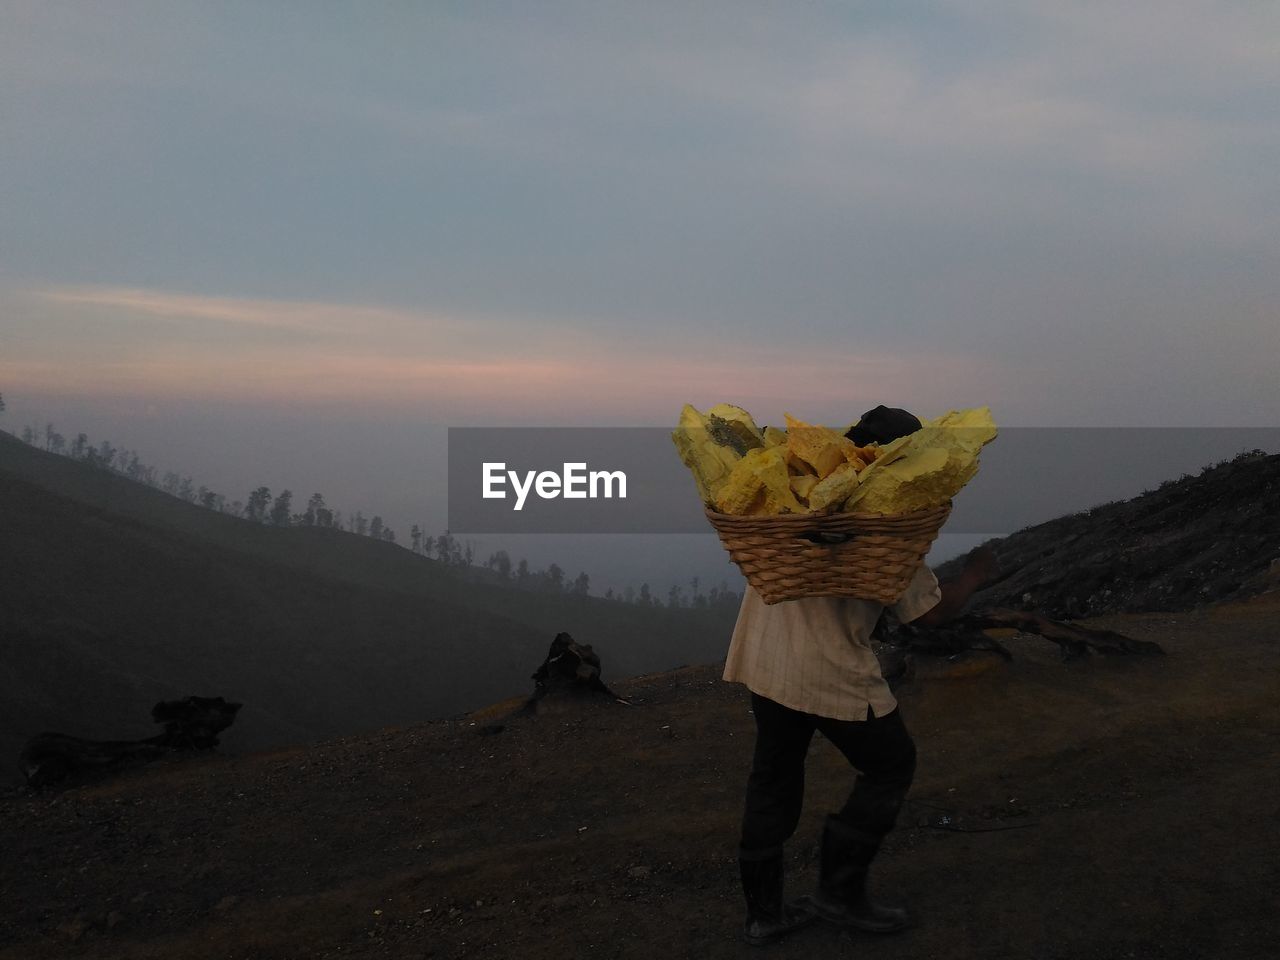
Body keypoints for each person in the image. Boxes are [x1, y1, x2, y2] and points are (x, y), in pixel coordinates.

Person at [723, 406, 998, 945]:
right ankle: (839, 893)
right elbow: (930, 614)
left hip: (765, 659)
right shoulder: (887, 529)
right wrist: (973, 577)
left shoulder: (790, 493)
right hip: (829, 670)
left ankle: (764, 914)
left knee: (773, 777)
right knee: (892, 764)